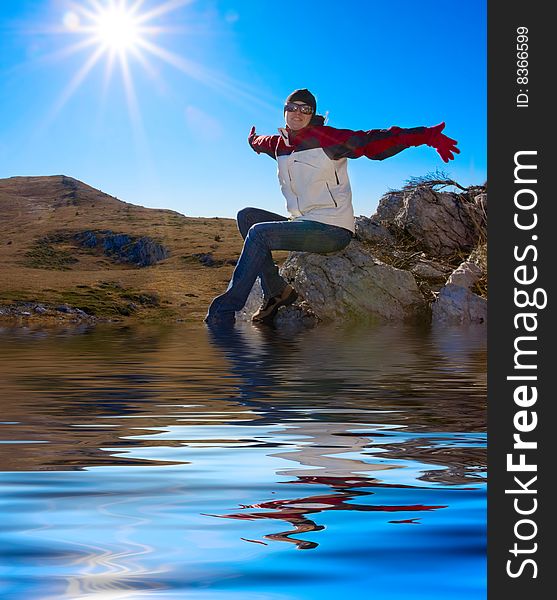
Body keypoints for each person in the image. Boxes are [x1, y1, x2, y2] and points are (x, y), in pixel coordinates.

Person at [204, 88, 459, 327]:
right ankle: (277, 292)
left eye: (305, 109)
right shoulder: (279, 144)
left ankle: (223, 313)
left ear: (312, 115)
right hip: (302, 223)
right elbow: (259, 142)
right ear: (284, 110)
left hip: (332, 229)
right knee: (246, 217)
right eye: (293, 107)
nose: (298, 113)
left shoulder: (328, 139)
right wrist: (252, 140)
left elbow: (373, 141)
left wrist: (425, 136)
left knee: (259, 233)